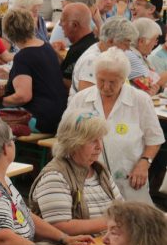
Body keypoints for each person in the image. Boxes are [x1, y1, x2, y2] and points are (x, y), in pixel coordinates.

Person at [68, 47, 164, 203]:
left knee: (134, 223)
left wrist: (144, 163)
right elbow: (67, 137)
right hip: (88, 180)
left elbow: (155, 139)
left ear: (124, 79)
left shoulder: (140, 100)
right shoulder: (81, 99)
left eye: (112, 82)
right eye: (101, 80)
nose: (106, 87)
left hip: (130, 179)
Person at [29, 108, 121, 234]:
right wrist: (110, 222)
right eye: (93, 140)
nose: (99, 146)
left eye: (100, 139)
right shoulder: (55, 176)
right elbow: (60, 227)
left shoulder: (100, 170)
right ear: (73, 142)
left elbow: (120, 209)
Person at [0, 10, 67, 135]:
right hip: (58, 116)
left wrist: (2, 99)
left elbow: (23, 96)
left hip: (39, 118)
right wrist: (7, 74)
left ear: (9, 34)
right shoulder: (46, 48)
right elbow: (37, 76)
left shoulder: (23, 56)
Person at [69, 16, 136, 98]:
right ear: (110, 41)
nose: (128, 48)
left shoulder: (109, 57)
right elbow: (86, 99)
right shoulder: (91, 61)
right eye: (126, 43)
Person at [60, 2, 98, 91]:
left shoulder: (78, 51)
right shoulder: (95, 41)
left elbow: (68, 84)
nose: (60, 25)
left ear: (74, 25)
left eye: (63, 21)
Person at [127, 17, 166, 93]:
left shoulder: (139, 56)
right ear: (141, 41)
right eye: (155, 40)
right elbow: (148, 86)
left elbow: (155, 87)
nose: (156, 44)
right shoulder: (130, 55)